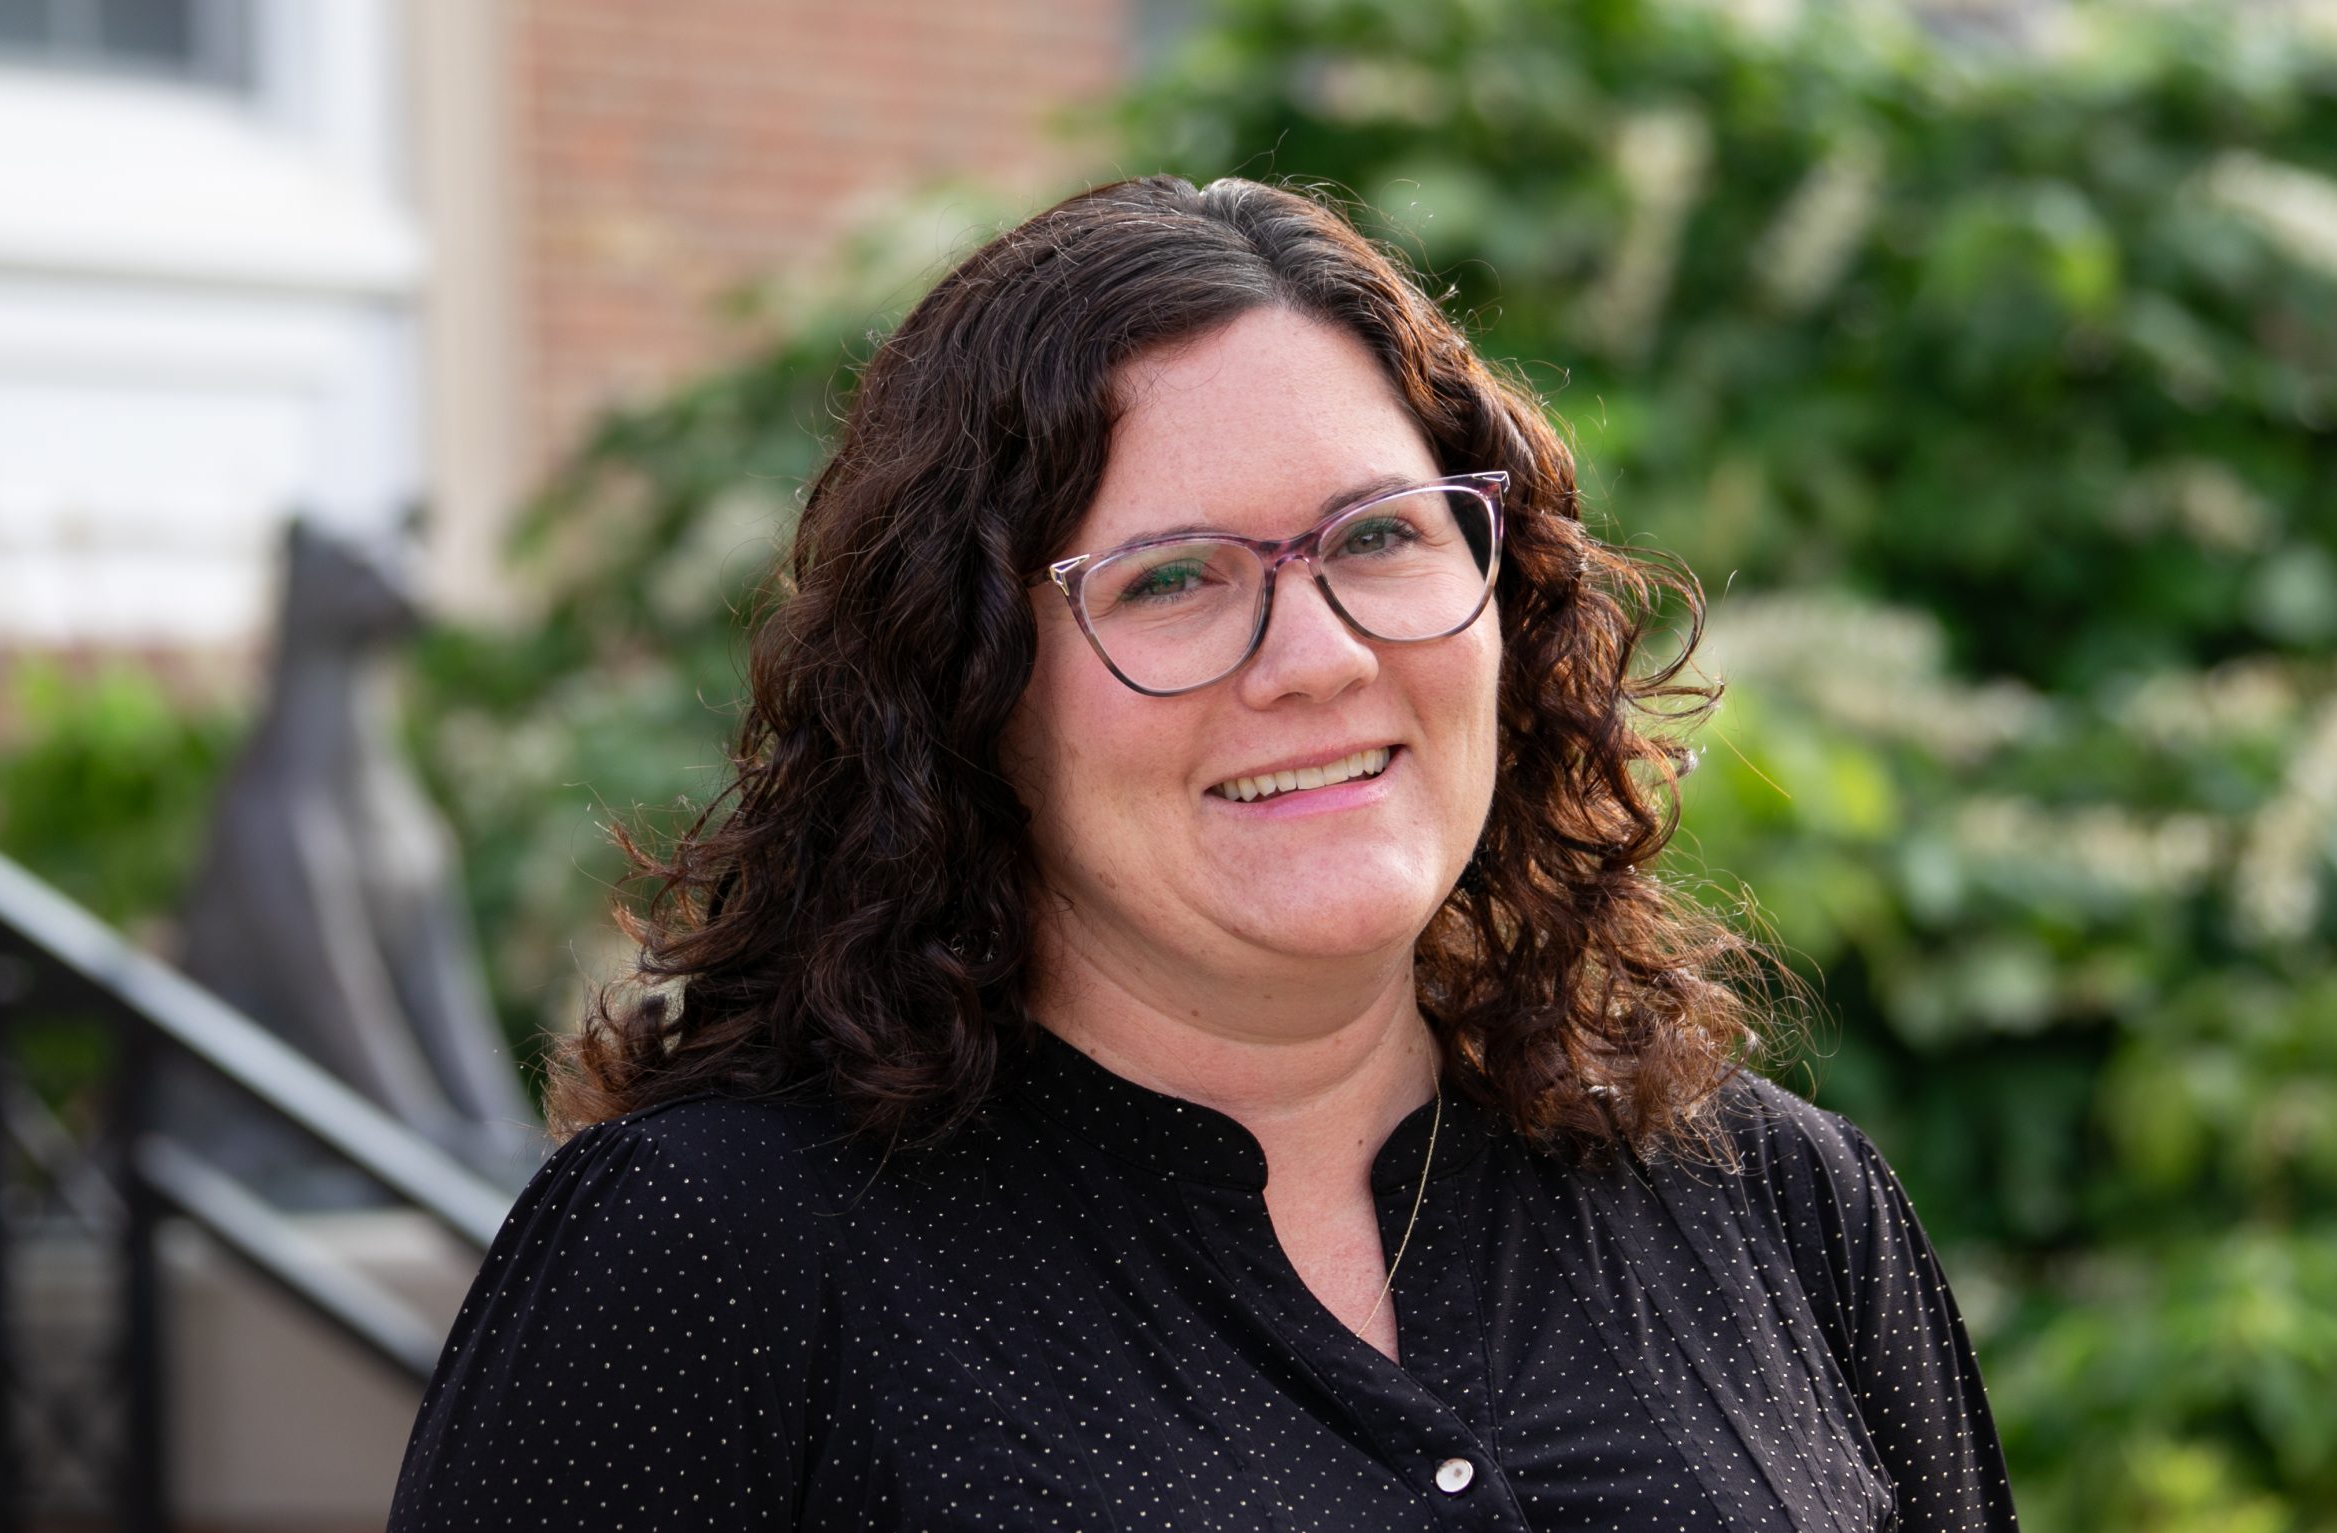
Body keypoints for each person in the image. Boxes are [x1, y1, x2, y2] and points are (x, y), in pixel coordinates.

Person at [386, 174, 2019, 1532]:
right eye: (1173, 578)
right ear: (968, 688)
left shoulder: (1784, 1206)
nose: (1312, 655)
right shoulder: (713, 1266)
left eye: (1378, 536)